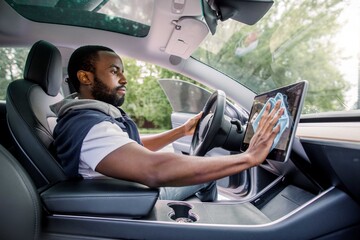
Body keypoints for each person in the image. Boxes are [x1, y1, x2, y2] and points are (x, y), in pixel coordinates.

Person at [51, 45, 284, 202]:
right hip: (128, 198)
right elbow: (155, 169)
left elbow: (131, 146)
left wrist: (181, 131)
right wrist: (249, 157)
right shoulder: (88, 125)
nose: (124, 79)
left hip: (128, 189)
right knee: (206, 176)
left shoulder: (88, 118)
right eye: (114, 71)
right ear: (86, 77)